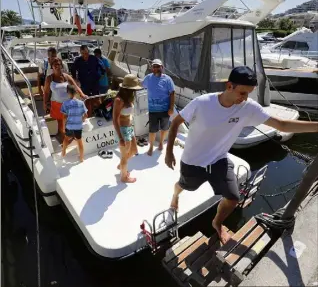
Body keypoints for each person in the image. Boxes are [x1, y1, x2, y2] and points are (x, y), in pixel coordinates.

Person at [165, 66, 318, 244]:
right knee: (184, 186)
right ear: (229, 86)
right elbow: (176, 122)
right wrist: (169, 152)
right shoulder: (202, 103)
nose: (245, 99)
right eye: (242, 93)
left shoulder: (248, 108)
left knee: (233, 198)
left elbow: (282, 125)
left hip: (219, 159)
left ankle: (217, 223)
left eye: (248, 94)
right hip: (193, 161)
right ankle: (175, 197)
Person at [43, 58, 87, 141]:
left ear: (61, 66)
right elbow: (46, 92)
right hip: (57, 105)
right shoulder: (49, 79)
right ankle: (64, 139)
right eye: (55, 65)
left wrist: (82, 94)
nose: (57, 66)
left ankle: (71, 136)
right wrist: (45, 103)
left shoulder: (67, 76)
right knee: (61, 124)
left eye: (58, 64)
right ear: (52, 66)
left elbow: (76, 87)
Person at [142, 59, 175, 156]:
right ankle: (151, 147)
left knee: (164, 129)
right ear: (152, 68)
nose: (156, 68)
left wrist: (171, 108)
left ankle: (161, 143)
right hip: (152, 110)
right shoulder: (148, 78)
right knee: (152, 130)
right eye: (154, 66)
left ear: (162, 67)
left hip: (165, 109)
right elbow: (140, 84)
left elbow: (172, 93)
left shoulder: (167, 79)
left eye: (158, 66)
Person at [113, 74, 142, 183]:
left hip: (129, 128)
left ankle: (121, 166)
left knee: (134, 151)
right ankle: (124, 177)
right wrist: (120, 138)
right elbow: (115, 119)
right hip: (123, 130)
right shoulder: (119, 100)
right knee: (125, 156)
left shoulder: (129, 97)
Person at [71, 45, 104, 117]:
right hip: (84, 84)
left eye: (86, 53)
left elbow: (102, 67)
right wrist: (75, 79)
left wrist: (100, 76)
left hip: (94, 83)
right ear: (80, 53)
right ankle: (89, 116)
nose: (84, 55)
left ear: (88, 52)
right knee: (87, 100)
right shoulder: (78, 60)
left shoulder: (94, 58)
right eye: (82, 53)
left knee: (97, 99)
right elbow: (73, 69)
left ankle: (102, 114)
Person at [61, 85, 88, 162]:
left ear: (68, 92)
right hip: (78, 126)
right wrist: (82, 120)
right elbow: (86, 115)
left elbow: (64, 117)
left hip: (69, 126)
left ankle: (63, 152)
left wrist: (63, 127)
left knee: (66, 139)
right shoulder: (81, 103)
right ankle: (82, 158)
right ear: (76, 92)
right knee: (79, 141)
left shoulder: (65, 103)